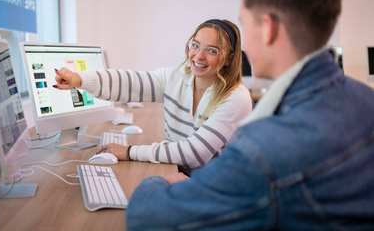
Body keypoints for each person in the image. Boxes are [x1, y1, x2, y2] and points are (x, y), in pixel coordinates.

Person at [125, 0, 374, 230]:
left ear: (268, 29)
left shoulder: (263, 149)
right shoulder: (366, 100)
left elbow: (146, 217)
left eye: (244, 23)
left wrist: (159, 181)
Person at [54, 19, 252, 171]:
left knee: (141, 195)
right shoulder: (177, 76)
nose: (198, 56)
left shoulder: (236, 98)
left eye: (212, 50)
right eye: (195, 45)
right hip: (182, 171)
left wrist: (130, 152)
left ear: (229, 59)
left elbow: (194, 154)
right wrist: (79, 80)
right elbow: (128, 83)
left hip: (217, 184)